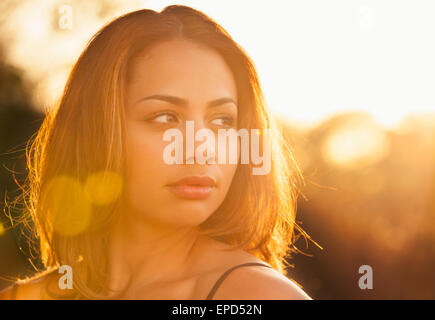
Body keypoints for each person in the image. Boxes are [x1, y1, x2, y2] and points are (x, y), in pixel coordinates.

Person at [0, 5, 311, 300]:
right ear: (95, 130)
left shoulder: (259, 295)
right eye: (165, 117)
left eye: (222, 121)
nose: (200, 150)